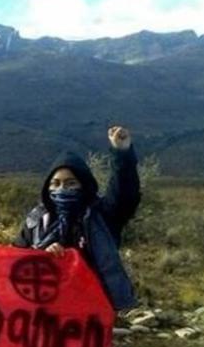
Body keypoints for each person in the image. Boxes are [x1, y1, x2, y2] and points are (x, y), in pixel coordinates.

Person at [14, 126, 140, 310]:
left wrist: (122, 153)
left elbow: (125, 194)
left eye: (70, 183)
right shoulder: (38, 219)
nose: (61, 189)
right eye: (55, 184)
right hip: (44, 303)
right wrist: (41, 254)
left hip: (93, 303)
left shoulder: (102, 214)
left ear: (84, 184)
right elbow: (17, 257)